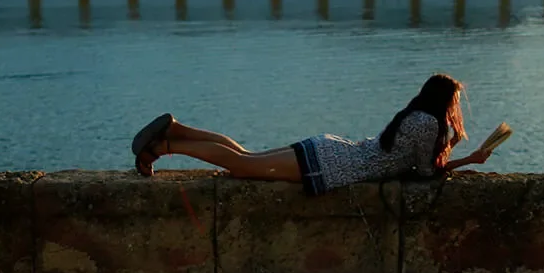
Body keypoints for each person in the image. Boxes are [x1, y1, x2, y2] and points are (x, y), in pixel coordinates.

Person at [130, 73, 493, 195]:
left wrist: (450, 146)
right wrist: (469, 159)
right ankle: (164, 145)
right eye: (456, 101)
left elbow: (410, 157)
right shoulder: (430, 124)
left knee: (246, 157)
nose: (457, 107)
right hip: (332, 167)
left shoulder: (416, 115)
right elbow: (425, 173)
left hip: (333, 151)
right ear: (445, 100)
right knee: (241, 166)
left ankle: (178, 128)